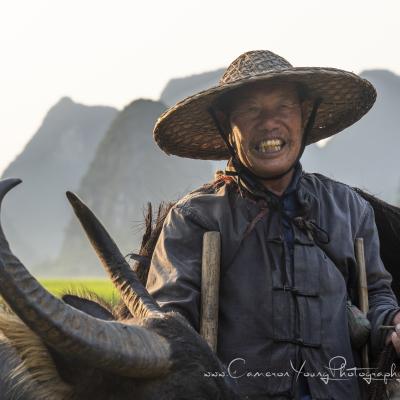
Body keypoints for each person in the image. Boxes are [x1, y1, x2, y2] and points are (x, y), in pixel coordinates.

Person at [146, 50, 400, 399]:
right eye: (251, 110)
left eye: (283, 107)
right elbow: (166, 329)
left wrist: (393, 325)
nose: (269, 123)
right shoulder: (195, 219)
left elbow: (378, 295)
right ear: (226, 125)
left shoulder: (348, 209)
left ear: (304, 115)